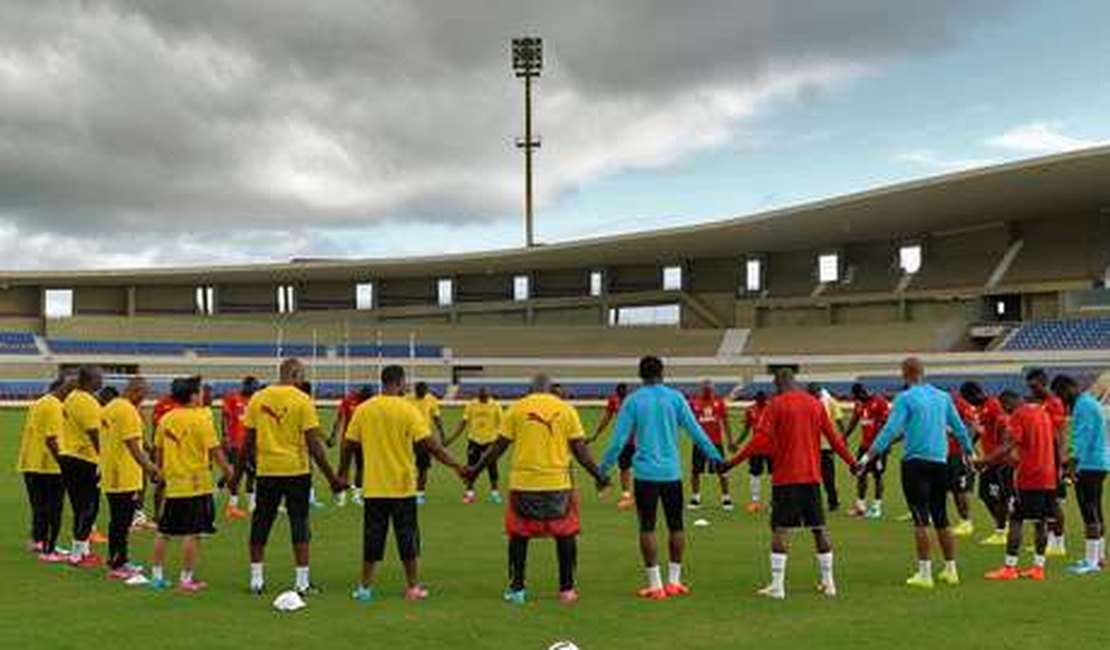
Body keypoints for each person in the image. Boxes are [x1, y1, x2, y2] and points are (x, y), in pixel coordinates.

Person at [468, 374, 609, 604]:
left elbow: (497, 448)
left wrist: (474, 470)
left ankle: (517, 590)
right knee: (565, 536)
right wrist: (599, 475)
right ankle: (567, 590)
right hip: (558, 484)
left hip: (524, 484)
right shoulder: (566, 410)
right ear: (551, 389)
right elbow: (580, 451)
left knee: (519, 537)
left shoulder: (516, 409)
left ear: (530, 389)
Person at [338, 365, 467, 603]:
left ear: (383, 382)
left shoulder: (365, 410)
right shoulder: (408, 411)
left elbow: (348, 445)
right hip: (403, 486)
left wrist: (343, 474)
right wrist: (458, 466)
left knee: (372, 538)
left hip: (374, 487)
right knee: (407, 538)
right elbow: (432, 446)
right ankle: (413, 588)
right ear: (399, 382)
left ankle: (365, 588)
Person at [725, 368, 856, 599]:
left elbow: (759, 440)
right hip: (812, 477)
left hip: (786, 478)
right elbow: (834, 438)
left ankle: (778, 586)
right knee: (819, 529)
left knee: (780, 529)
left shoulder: (775, 405)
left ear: (778, 382)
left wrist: (732, 463)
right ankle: (829, 583)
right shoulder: (815, 404)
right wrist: (852, 462)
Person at [599, 356, 724, 600]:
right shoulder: (676, 398)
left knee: (647, 527)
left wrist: (602, 470)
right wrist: (716, 458)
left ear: (640, 375)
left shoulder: (633, 401)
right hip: (671, 473)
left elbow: (618, 441)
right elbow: (696, 431)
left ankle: (655, 585)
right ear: (662, 373)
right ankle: (674, 582)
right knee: (676, 526)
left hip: (645, 474)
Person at [858, 358, 974, 589]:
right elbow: (959, 427)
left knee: (921, 518)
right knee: (941, 516)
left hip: (915, 463)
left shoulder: (905, 398)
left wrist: (868, 456)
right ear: (923, 372)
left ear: (904, 374)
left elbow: (891, 429)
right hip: (940, 462)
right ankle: (951, 570)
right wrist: (969, 451)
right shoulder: (943, 397)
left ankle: (925, 573)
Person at [238, 358, 346, 596]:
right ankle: (302, 582)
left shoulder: (258, 398)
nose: (303, 379)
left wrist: (237, 475)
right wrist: (332, 479)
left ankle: (256, 580)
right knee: (299, 524)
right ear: (295, 374)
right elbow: (314, 445)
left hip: (267, 470)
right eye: (302, 375)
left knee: (261, 523)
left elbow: (247, 441)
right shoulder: (302, 400)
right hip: (296, 471)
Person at [150, 376, 234, 592]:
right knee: (193, 532)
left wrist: (160, 472)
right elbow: (215, 451)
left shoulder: (166, 419)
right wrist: (229, 471)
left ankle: (156, 576)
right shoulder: (200, 420)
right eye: (200, 391)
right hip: (196, 484)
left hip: (174, 484)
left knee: (164, 531)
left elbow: (158, 450)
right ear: (193, 395)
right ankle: (186, 579)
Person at [983, 391, 1057, 581]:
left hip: (1029, 477)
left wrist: (987, 460)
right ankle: (1038, 568)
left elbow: (1009, 443)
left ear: (1009, 403)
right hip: (1048, 476)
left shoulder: (1018, 415)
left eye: (1005, 407)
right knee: (1041, 521)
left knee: (1016, 519)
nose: (1005, 411)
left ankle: (1009, 567)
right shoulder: (1043, 413)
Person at [101, 378, 160, 578]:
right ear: (136, 391)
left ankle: (118, 559)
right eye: (143, 394)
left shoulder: (111, 407)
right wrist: (151, 467)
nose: (143, 399)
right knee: (121, 521)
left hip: (112, 471)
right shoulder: (128, 411)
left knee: (118, 520)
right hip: (123, 474)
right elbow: (133, 445)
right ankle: (117, 565)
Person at [1052, 374, 1109, 574]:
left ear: (1069, 388)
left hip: (1088, 465)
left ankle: (1091, 561)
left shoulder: (1083, 406)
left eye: (1060, 394)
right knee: (1096, 510)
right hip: (1098, 462)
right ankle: (1100, 558)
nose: (1061, 399)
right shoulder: (1090, 403)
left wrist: (1070, 468)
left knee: (1089, 511)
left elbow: (1083, 440)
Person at [54, 365, 105, 567]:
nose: (102, 381)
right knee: (89, 507)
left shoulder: (72, 397)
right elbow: (94, 433)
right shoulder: (87, 402)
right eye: (99, 377)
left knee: (79, 506)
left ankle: (83, 551)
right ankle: (77, 554)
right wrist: (105, 457)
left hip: (69, 456)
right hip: (84, 459)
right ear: (90, 380)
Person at [16, 377, 72, 562]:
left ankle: (37, 540)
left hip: (31, 461)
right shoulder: (55, 406)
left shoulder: (39, 402)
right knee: (53, 507)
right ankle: (49, 548)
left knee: (38, 505)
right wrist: (64, 463)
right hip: (48, 465)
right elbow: (51, 438)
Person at [959, 382, 1011, 545]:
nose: (969, 402)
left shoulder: (993, 406)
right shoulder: (982, 409)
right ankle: (1003, 525)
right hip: (990, 459)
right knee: (985, 495)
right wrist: (969, 446)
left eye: (969, 398)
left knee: (998, 496)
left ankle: (1002, 531)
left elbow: (1005, 429)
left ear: (978, 393)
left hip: (999, 460)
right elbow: (981, 432)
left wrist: (996, 454)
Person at [1027, 368, 1069, 556]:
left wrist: (1060, 462)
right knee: (1045, 501)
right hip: (1041, 457)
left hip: (1052, 457)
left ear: (1043, 383)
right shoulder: (1040, 403)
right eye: (1029, 386)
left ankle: (1058, 542)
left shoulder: (1054, 403)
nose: (1032, 390)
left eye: (1034, 386)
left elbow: (1060, 434)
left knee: (1054, 502)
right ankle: (1049, 539)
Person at [840, 383, 890, 519]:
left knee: (877, 475)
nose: (855, 400)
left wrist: (882, 445)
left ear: (861, 393)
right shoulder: (859, 404)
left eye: (856, 397)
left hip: (878, 447)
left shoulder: (880, 402)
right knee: (860, 473)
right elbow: (854, 421)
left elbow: (887, 424)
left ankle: (876, 508)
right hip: (864, 446)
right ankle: (861, 506)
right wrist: (843, 437)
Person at [447, 387, 505, 504]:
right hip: (474, 440)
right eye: (480, 396)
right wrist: (452, 438)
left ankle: (495, 494)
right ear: (478, 395)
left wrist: (499, 441)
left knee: (492, 467)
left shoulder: (496, 406)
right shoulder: (471, 405)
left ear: (488, 395)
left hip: (490, 441)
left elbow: (502, 425)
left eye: (484, 396)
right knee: (471, 467)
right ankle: (469, 494)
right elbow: (463, 423)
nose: (482, 398)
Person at [688, 380, 736, 511]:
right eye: (705, 388)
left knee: (722, 470)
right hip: (700, 443)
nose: (708, 391)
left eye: (710, 388)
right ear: (701, 389)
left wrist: (730, 440)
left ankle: (726, 498)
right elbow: (689, 422)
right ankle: (695, 497)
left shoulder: (719, 402)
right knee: (696, 471)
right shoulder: (694, 403)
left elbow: (725, 422)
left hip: (716, 443)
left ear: (713, 389)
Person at [589, 383, 633, 510]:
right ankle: (626, 495)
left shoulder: (634, 401)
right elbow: (606, 418)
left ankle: (638, 495)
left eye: (624, 391)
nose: (622, 394)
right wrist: (596, 434)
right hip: (623, 441)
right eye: (620, 392)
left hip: (639, 440)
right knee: (624, 466)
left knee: (643, 467)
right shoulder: (614, 402)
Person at [222, 376, 259, 518]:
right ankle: (232, 504)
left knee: (253, 472)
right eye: (252, 387)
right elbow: (225, 416)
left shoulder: (255, 401)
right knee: (237, 473)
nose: (254, 390)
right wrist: (225, 435)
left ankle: (252, 503)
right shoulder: (233, 398)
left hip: (251, 443)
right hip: (236, 442)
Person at [331, 385, 374, 507]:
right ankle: (341, 496)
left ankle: (357, 495)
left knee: (361, 467)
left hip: (363, 440)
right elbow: (339, 418)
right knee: (344, 467)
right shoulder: (348, 400)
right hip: (348, 439)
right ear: (361, 394)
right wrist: (334, 435)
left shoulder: (370, 404)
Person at [408, 381, 446, 505]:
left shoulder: (431, 400)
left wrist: (442, 434)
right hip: (408, 437)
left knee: (423, 468)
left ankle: (420, 494)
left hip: (425, 438)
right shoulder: (407, 399)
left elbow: (436, 418)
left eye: (424, 392)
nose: (422, 394)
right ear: (415, 391)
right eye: (420, 392)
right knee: (405, 465)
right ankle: (406, 491)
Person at [807, 383, 844, 512]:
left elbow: (839, 421)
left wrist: (842, 439)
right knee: (811, 477)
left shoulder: (830, 402)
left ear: (819, 392)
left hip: (826, 445)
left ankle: (833, 502)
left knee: (828, 477)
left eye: (815, 393)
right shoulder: (808, 403)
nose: (814, 396)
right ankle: (814, 503)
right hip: (811, 446)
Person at [949, 389, 980, 537]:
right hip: (944, 453)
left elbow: (973, 425)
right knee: (950, 488)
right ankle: (961, 520)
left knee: (959, 488)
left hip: (958, 453)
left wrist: (967, 445)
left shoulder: (960, 404)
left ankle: (966, 521)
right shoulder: (942, 405)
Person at [742, 391, 771, 513]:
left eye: (763, 399)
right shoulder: (751, 410)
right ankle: (755, 501)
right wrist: (738, 442)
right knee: (754, 473)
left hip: (771, 447)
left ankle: (773, 502)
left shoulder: (771, 409)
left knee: (773, 475)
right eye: (759, 399)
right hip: (756, 447)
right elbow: (747, 428)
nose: (761, 401)